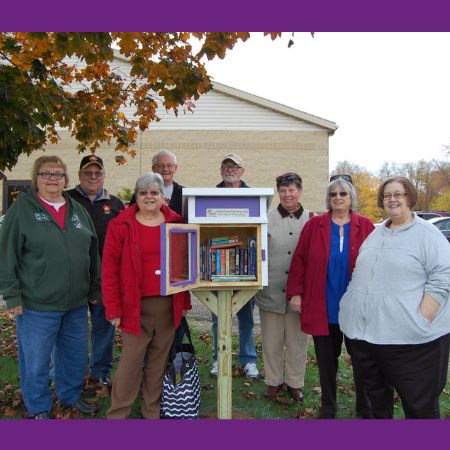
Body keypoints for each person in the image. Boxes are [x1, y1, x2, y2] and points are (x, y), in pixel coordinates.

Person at [339, 176, 450, 419]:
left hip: (413, 343)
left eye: (398, 194)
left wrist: (421, 318)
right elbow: (360, 271)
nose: (392, 199)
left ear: (409, 197)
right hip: (368, 340)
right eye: (387, 195)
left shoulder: (428, 235)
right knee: (378, 406)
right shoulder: (377, 234)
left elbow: (443, 278)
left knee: (419, 408)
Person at [0, 155, 101, 419]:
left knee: (74, 358)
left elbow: (92, 251)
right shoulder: (22, 209)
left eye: (58, 174)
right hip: (37, 304)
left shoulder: (76, 209)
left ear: (66, 179)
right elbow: (6, 253)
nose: (52, 179)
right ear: (36, 179)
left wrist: (95, 289)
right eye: (46, 174)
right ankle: (38, 407)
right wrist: (12, 295)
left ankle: (69, 397)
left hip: (76, 304)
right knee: (35, 362)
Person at [102, 172, 191, 419]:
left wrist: (184, 301)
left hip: (166, 304)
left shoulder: (176, 222)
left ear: (163, 196)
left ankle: (151, 410)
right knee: (130, 363)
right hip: (134, 306)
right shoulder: (120, 225)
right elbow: (109, 270)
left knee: (157, 362)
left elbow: (184, 264)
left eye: (154, 192)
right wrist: (113, 308)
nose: (149, 197)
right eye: (143, 193)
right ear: (136, 196)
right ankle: (118, 413)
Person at [286, 174, 374, 419]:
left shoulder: (366, 226)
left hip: (356, 306)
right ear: (328, 198)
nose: (338, 198)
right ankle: (328, 408)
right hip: (324, 304)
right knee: (327, 363)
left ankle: (365, 407)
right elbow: (299, 260)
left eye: (343, 194)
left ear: (351, 197)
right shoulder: (315, 226)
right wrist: (296, 293)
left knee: (362, 361)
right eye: (333, 194)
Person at [66, 154, 124, 386]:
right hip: (73, 278)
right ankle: (72, 373)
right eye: (87, 173)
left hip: (104, 279)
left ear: (103, 175)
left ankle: (100, 372)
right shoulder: (66, 199)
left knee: (103, 327)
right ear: (79, 175)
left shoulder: (116, 204)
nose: (92, 177)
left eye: (97, 172)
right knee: (72, 330)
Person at [255, 173, 311, 403]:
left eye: (292, 189)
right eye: (283, 190)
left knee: (298, 341)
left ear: (300, 191)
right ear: (278, 192)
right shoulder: (265, 217)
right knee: (271, 340)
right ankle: (273, 381)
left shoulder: (311, 219)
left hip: (300, 294)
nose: (288, 194)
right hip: (271, 290)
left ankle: (295, 383)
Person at [210, 153, 259, 379]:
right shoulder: (210, 195)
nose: (230, 169)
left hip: (245, 265)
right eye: (226, 166)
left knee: (246, 318)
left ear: (242, 171)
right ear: (221, 170)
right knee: (218, 316)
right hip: (216, 265)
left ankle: (248, 360)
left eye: (235, 166)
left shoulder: (254, 196)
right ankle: (218, 359)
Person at [129, 150, 184, 215]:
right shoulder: (141, 192)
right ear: (153, 168)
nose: (165, 169)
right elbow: (131, 214)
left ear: (175, 168)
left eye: (169, 165)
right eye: (160, 166)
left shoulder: (185, 193)